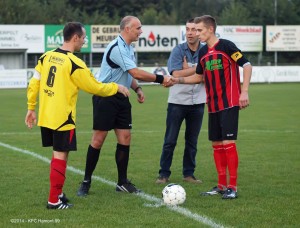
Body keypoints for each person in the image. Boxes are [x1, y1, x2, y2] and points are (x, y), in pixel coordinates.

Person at [25, 22, 130, 210]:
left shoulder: (46, 57)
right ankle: (53, 200)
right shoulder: (74, 62)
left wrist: (31, 108)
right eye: (83, 38)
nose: (84, 41)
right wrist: (117, 87)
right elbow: (95, 87)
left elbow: (34, 83)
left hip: (46, 115)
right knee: (60, 155)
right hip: (63, 118)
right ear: (75, 38)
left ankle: (57, 193)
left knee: (58, 155)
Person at [77, 16, 170, 196]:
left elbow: (128, 74)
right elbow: (135, 71)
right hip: (105, 96)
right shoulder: (117, 47)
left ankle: (122, 182)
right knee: (98, 140)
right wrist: (161, 78)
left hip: (122, 97)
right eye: (138, 28)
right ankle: (86, 182)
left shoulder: (128, 47)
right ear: (127, 29)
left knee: (125, 138)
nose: (141, 31)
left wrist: (137, 88)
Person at [169, 15, 252, 199]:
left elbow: (246, 65)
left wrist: (244, 91)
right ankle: (221, 185)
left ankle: (233, 187)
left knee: (227, 143)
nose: (196, 34)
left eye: (199, 30)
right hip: (213, 105)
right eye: (195, 30)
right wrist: (178, 79)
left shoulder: (227, 46)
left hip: (229, 102)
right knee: (216, 144)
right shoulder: (203, 52)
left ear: (210, 29)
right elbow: (199, 77)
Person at [156, 19, 206, 185]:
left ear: (199, 32)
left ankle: (188, 174)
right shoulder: (178, 50)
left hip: (198, 102)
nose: (190, 32)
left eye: (194, 29)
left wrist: (187, 70)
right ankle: (163, 174)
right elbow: (175, 74)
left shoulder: (206, 50)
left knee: (192, 141)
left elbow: (206, 77)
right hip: (177, 102)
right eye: (188, 29)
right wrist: (196, 68)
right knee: (170, 140)